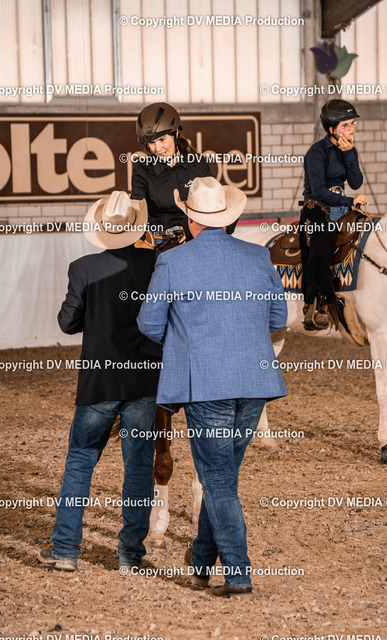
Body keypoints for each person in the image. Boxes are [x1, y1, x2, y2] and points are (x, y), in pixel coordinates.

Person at [137, 177, 288, 596]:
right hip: (255, 382)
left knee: (218, 479)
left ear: (190, 219)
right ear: (227, 218)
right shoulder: (259, 256)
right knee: (222, 475)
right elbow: (279, 318)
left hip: (205, 384)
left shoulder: (173, 262)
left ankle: (238, 574)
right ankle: (202, 562)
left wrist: (186, 342)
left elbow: (149, 323)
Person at [37, 191, 162, 572]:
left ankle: (65, 550)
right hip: (143, 381)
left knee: (80, 461)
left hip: (99, 382)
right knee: (138, 467)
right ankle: (130, 556)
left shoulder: (83, 267)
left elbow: (67, 323)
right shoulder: (157, 264)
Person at [300, 99, 368, 330]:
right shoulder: (316, 152)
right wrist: (350, 201)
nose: (351, 129)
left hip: (340, 206)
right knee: (322, 242)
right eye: (345, 126)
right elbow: (319, 190)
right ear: (331, 129)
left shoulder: (349, 149)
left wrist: (349, 155)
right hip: (317, 207)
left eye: (353, 124)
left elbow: (356, 182)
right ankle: (313, 302)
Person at [132, 101, 239, 244]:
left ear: (176, 133)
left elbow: (212, 206)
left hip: (196, 240)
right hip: (158, 244)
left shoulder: (198, 164)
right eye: (152, 143)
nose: (157, 148)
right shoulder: (142, 170)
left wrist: (190, 234)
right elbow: (139, 215)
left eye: (162, 139)